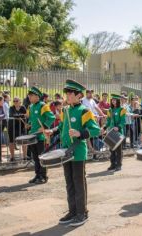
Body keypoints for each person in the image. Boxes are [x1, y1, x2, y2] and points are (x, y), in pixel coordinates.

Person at [45, 80, 101, 227]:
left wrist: (80, 133)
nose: (67, 96)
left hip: (78, 152)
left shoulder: (84, 111)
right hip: (66, 151)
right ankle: (72, 211)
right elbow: (62, 127)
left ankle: (82, 213)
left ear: (78, 95)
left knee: (78, 182)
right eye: (67, 93)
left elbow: (95, 130)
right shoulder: (65, 110)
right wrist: (53, 130)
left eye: (70, 93)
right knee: (69, 182)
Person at [26, 86, 55, 184]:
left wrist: (44, 126)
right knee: (35, 157)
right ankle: (37, 175)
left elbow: (51, 117)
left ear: (37, 96)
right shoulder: (31, 106)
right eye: (29, 96)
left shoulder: (43, 105)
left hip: (41, 136)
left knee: (41, 157)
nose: (29, 97)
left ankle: (43, 176)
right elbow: (31, 119)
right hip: (33, 135)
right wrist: (29, 124)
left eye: (31, 96)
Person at [104, 94, 126, 171]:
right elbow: (108, 121)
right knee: (111, 149)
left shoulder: (122, 109)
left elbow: (123, 121)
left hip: (118, 132)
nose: (113, 101)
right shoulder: (110, 110)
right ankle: (112, 164)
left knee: (118, 150)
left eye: (114, 100)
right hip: (111, 132)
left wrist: (118, 127)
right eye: (112, 100)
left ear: (118, 101)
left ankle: (119, 165)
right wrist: (104, 127)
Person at [8, 97, 27, 161]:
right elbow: (11, 115)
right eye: (14, 101)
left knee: (24, 141)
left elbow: (26, 115)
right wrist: (18, 117)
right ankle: (12, 157)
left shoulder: (23, 108)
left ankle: (24, 156)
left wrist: (22, 117)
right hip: (12, 127)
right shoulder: (11, 108)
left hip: (21, 127)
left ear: (20, 102)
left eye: (16, 101)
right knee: (12, 141)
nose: (15, 102)